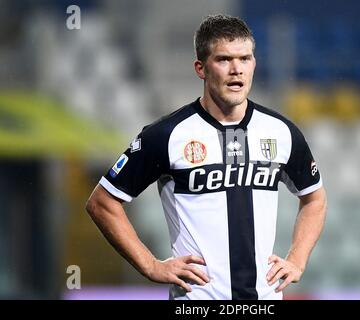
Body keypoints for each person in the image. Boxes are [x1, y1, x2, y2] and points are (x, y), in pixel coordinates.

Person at [85, 14, 327, 300]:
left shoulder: (281, 131)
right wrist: (150, 265)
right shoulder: (166, 135)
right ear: (201, 68)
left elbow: (314, 198)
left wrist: (297, 259)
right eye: (224, 59)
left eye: (245, 58)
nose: (236, 69)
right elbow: (102, 202)